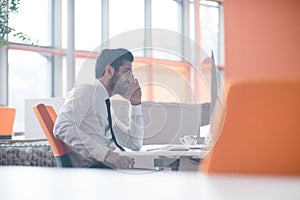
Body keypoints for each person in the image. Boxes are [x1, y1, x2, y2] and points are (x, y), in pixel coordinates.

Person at [54, 48, 144, 169]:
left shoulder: (105, 104)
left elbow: (134, 143)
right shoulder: (86, 92)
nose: (131, 79)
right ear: (109, 71)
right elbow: (62, 127)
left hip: (105, 169)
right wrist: (106, 155)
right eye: (126, 72)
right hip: (93, 172)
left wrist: (136, 104)